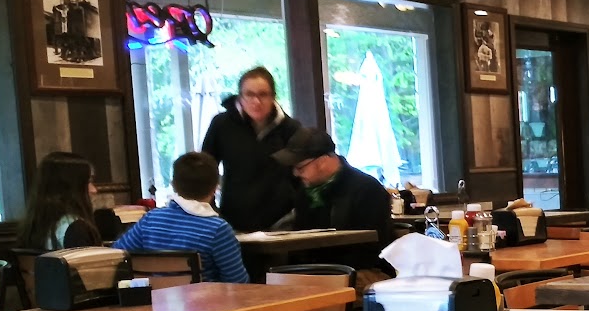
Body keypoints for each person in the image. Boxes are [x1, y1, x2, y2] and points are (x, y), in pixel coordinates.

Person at [274, 127, 394, 282]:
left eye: (300, 167)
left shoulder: (367, 189)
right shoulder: (305, 193)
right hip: (316, 273)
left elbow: (371, 250)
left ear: (323, 161)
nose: (295, 174)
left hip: (364, 271)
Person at [114, 152, 248, 284]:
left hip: (156, 302)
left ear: (173, 185)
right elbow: (238, 283)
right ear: (215, 189)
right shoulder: (218, 229)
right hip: (205, 303)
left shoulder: (150, 220)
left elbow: (116, 254)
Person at [200, 66, 303, 232]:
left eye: (263, 94)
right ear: (240, 97)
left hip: (282, 224)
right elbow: (205, 169)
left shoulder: (290, 128)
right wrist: (211, 211)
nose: (256, 101)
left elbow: (302, 175)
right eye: (249, 94)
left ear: (273, 97)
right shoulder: (221, 125)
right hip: (233, 221)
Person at [16, 151, 101, 251]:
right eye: (89, 182)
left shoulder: (34, 227)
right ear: (69, 187)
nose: (94, 190)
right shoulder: (76, 229)